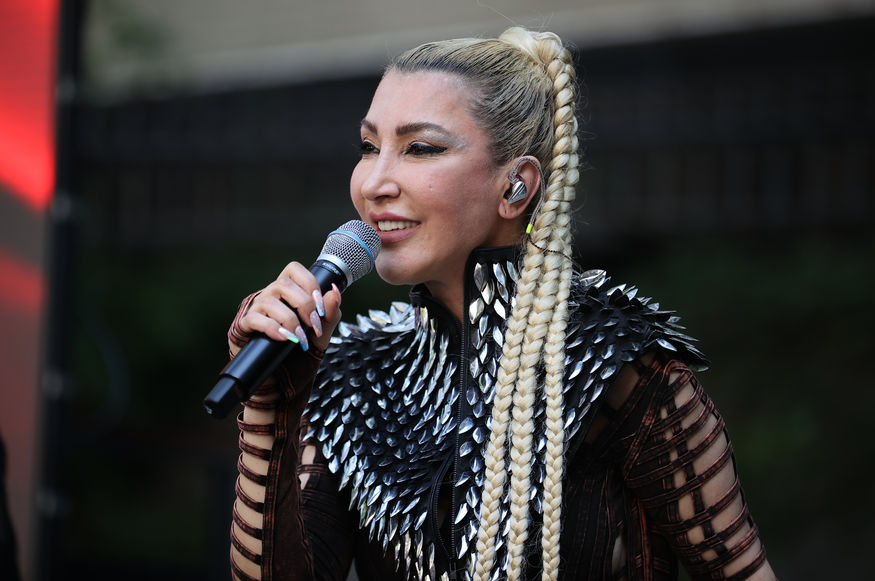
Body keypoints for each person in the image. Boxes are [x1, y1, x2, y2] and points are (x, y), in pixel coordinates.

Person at [224, 27, 777, 581]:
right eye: (369, 147)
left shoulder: (615, 365)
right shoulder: (353, 373)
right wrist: (272, 406)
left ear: (516, 186)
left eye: (421, 148)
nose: (374, 183)